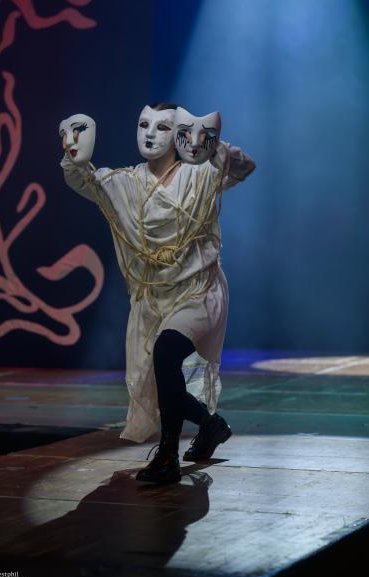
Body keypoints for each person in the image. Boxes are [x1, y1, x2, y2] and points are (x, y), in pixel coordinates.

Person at [60, 102, 255, 483]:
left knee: (166, 354)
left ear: (179, 135)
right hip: (153, 299)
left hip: (198, 291)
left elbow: (243, 168)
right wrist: (73, 154)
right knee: (159, 381)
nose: (149, 133)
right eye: (143, 124)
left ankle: (167, 455)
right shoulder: (124, 183)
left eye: (162, 127)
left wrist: (215, 148)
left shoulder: (199, 173)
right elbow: (84, 180)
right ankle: (211, 425)